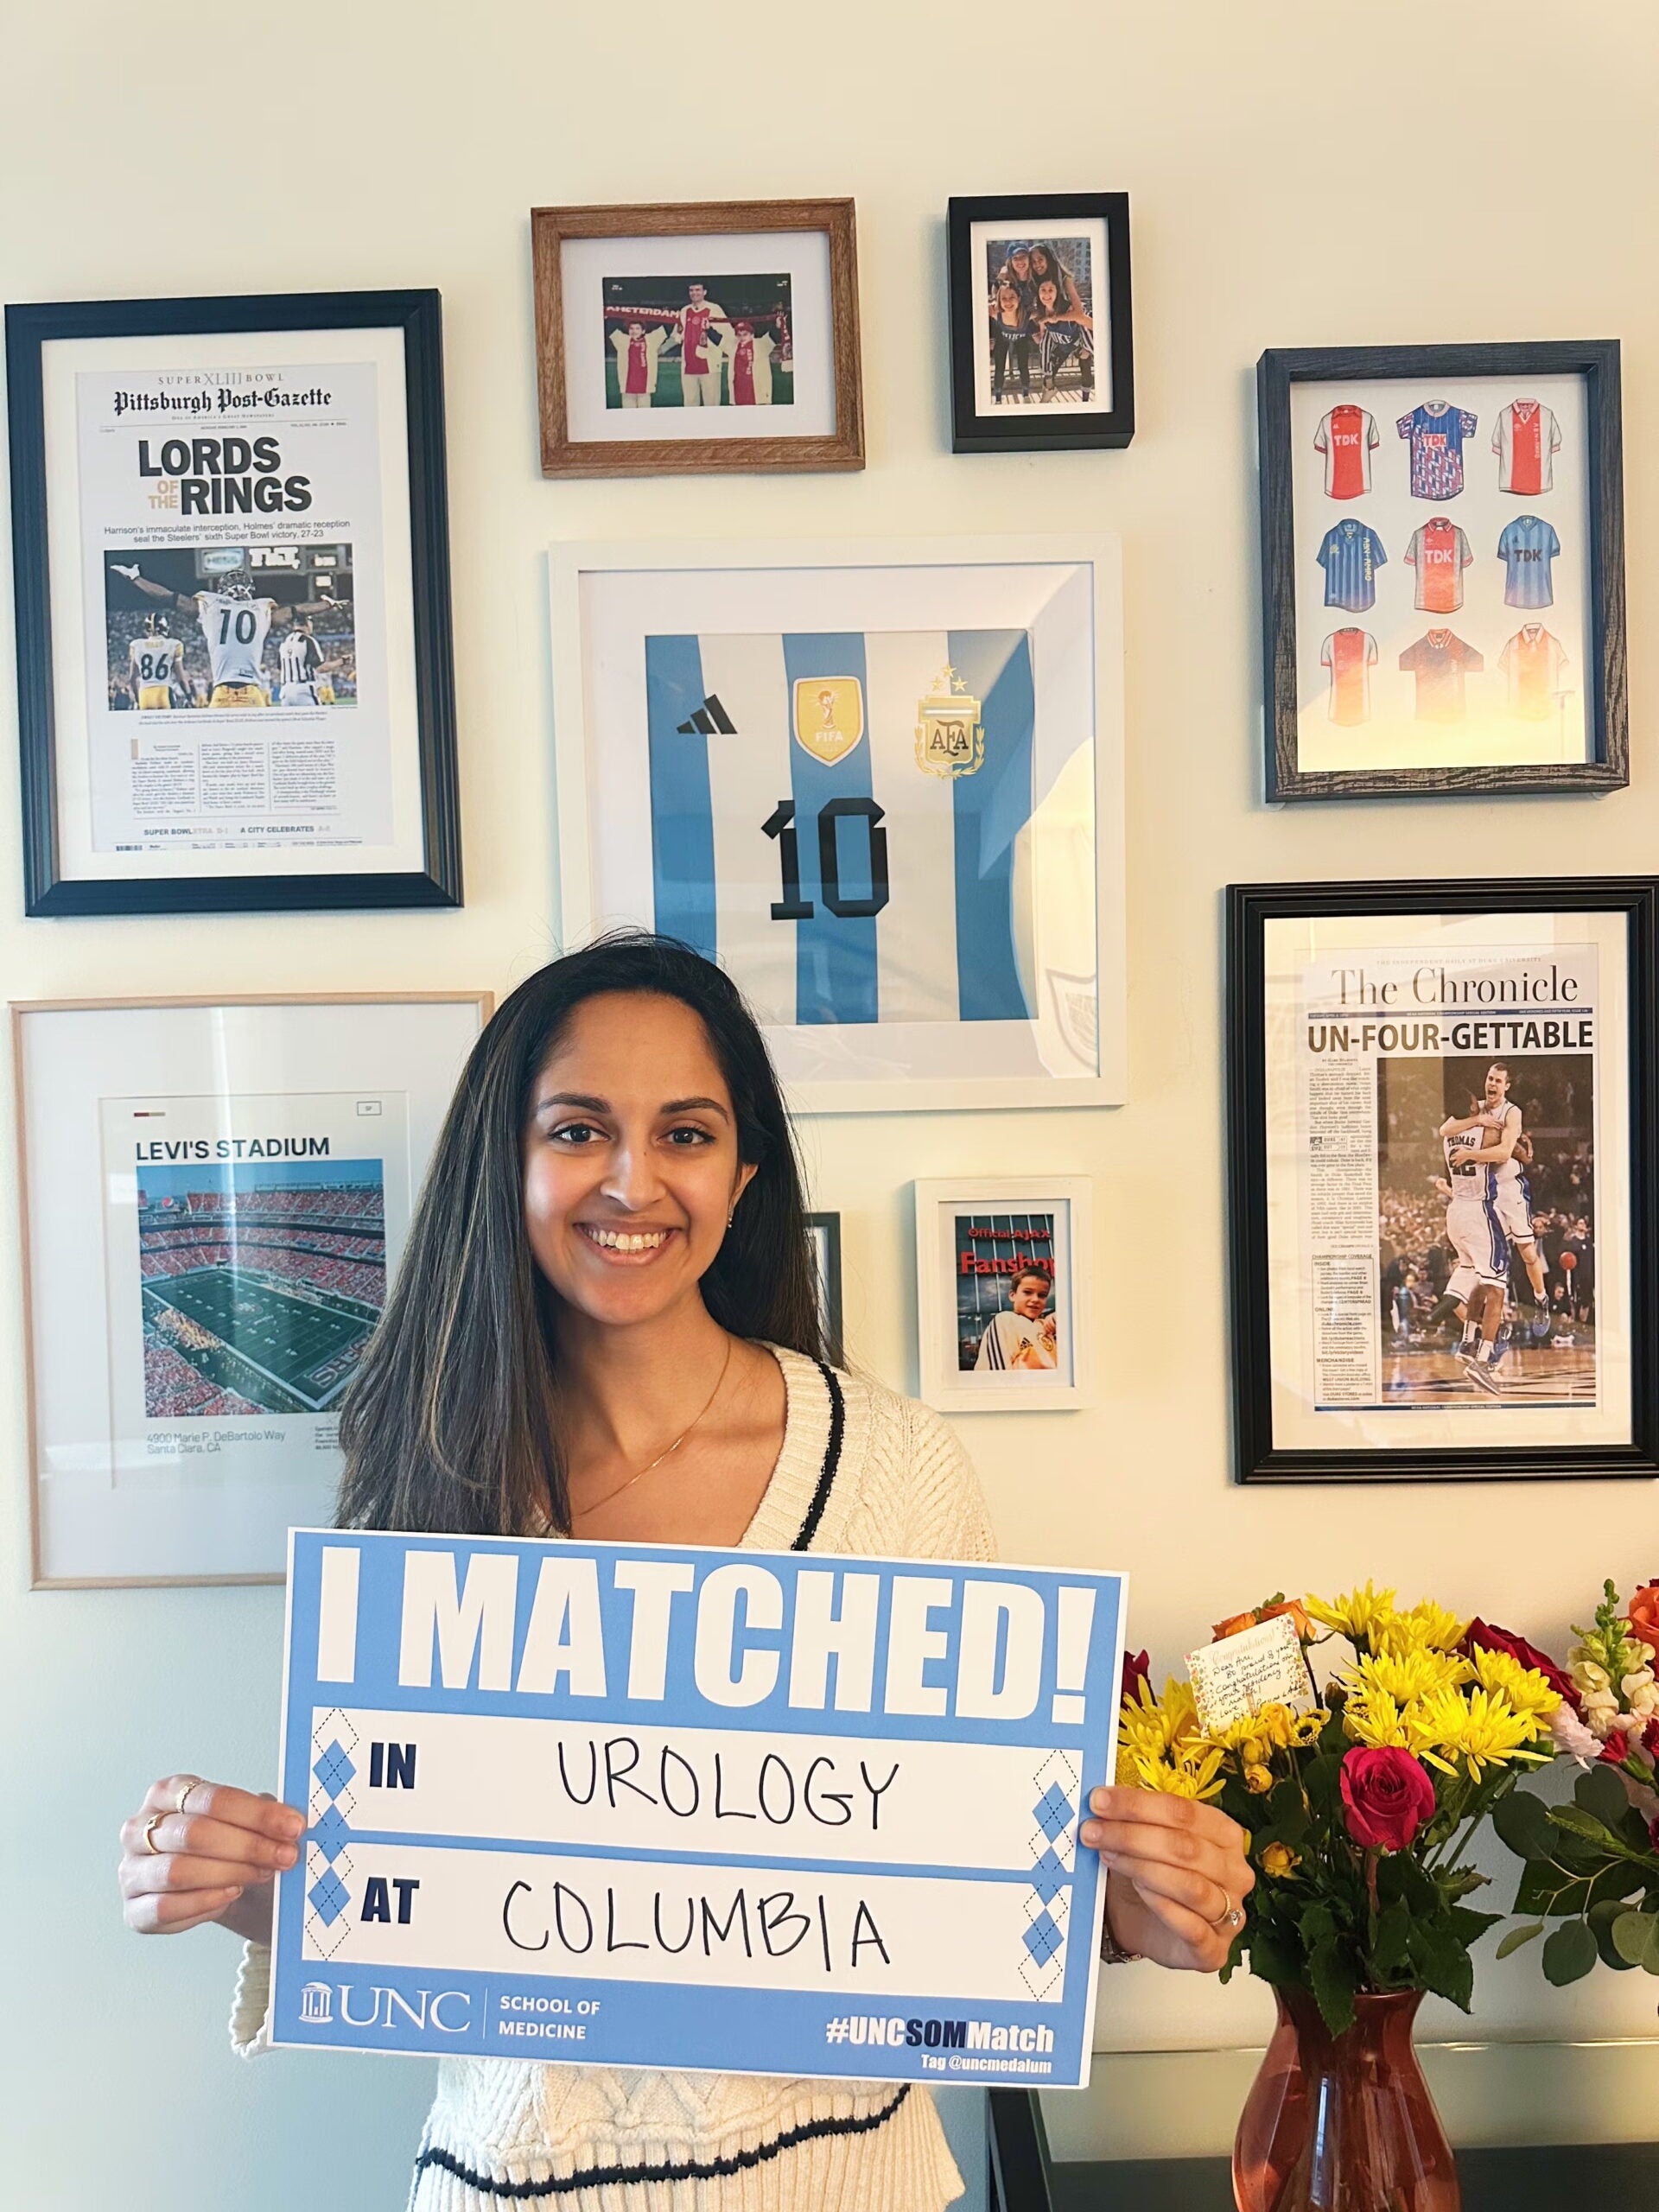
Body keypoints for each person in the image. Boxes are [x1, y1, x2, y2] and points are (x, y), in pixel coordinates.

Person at [118, 934, 1251, 2212]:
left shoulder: (896, 1467)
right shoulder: (425, 1469)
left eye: (687, 1134)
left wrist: (1133, 1917)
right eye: (579, 1129)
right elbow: (414, 1894)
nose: (631, 1180)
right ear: (510, 1160)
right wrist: (233, 1880)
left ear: (744, 1171)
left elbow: (977, 1895)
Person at [112, 561, 334, 708]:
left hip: (221, 694)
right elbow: (297, 611)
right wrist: (327, 605)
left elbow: (168, 597)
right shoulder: (262, 609)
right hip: (252, 693)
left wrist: (136, 579)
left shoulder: (211, 605)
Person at [975, 1267, 1059, 1371]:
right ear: (1012, 1296)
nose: (1035, 1299)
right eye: (1028, 1292)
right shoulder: (1005, 1320)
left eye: (1042, 1295)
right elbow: (996, 1372)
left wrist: (1060, 1318)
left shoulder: (1048, 1327)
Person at [1030, 274, 1094, 399]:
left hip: (1077, 344)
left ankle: (1086, 402)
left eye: (1050, 290)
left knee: (1086, 368)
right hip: (1061, 346)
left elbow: (1084, 321)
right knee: (1048, 372)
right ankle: (1048, 395)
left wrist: (1087, 348)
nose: (1046, 294)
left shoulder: (1068, 308)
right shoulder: (1040, 311)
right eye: (1043, 290)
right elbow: (1032, 323)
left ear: (1057, 292)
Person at [674, 282, 730, 407]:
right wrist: (660, 349)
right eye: (691, 290)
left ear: (705, 292)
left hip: (709, 364)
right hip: (688, 365)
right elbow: (677, 335)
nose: (694, 293)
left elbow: (727, 334)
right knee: (690, 403)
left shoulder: (715, 309)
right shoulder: (684, 311)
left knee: (712, 403)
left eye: (698, 290)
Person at [988, 278, 1034, 404]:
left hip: (1021, 339)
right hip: (1002, 339)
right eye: (1004, 298)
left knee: (1023, 366)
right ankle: (998, 397)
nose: (1008, 302)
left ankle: (1025, 393)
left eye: (1012, 297)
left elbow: (1046, 314)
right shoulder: (995, 313)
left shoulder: (1027, 314)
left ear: (1019, 298)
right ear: (999, 301)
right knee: (999, 367)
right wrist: (988, 338)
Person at [127, 610, 185, 709]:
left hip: (144, 694)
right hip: (164, 692)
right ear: (165, 628)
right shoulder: (173, 644)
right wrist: (188, 695)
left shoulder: (137, 645)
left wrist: (138, 698)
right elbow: (181, 679)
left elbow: (132, 678)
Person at [611, 316, 667, 407]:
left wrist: (663, 313)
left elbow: (665, 328)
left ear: (643, 331)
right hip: (628, 386)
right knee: (628, 414)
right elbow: (611, 328)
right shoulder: (623, 340)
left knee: (644, 413)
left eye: (637, 328)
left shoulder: (651, 340)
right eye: (631, 328)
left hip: (645, 387)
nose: (634, 331)